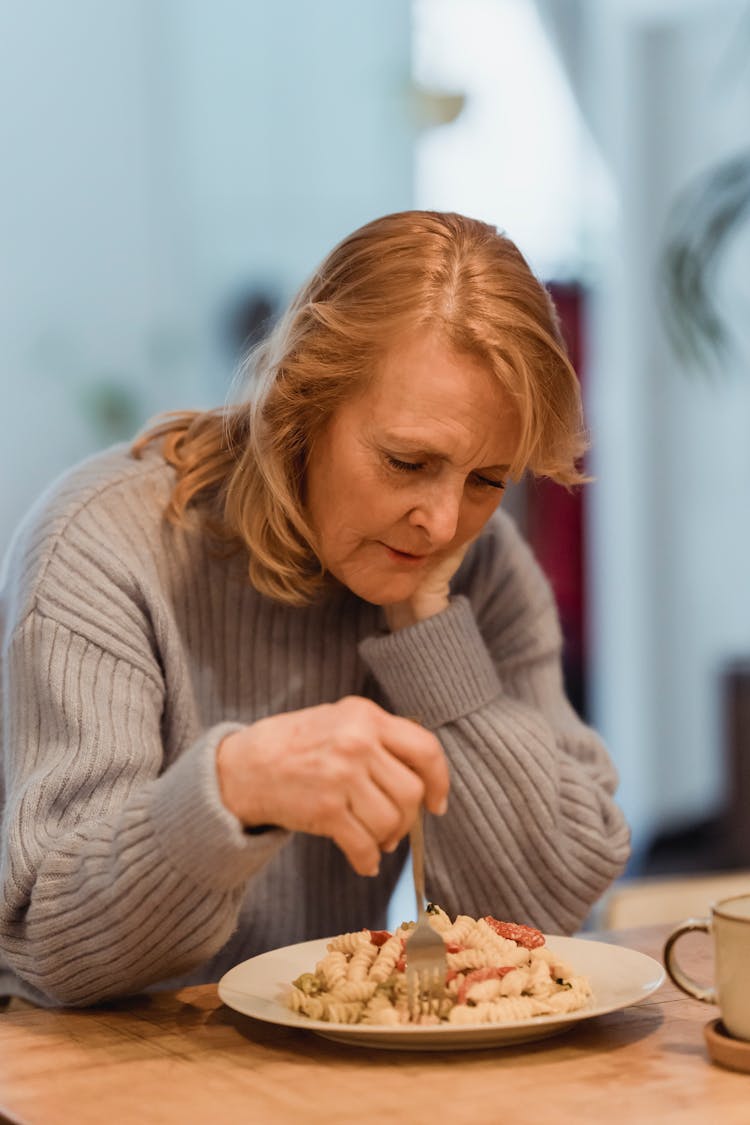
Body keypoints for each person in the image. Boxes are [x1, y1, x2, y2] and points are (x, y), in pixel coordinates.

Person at [0, 211, 630, 1007]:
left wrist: (430, 628)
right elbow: (50, 949)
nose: (442, 522)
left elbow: (546, 913)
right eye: (409, 462)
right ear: (302, 403)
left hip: (326, 1070)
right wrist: (232, 792)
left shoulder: (482, 567)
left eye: (485, 481)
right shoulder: (104, 545)